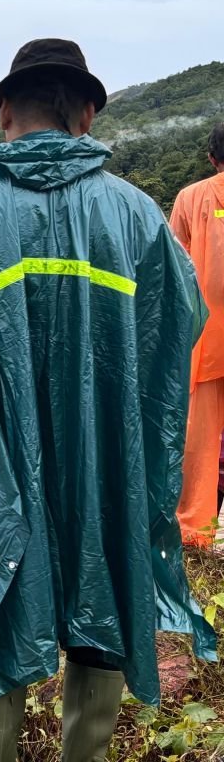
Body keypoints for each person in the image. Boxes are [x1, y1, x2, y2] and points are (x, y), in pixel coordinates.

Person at [0, 38, 216, 761]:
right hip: (109, 459)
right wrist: (134, 438)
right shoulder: (135, 215)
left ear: (6, 111)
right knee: (101, 598)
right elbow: (178, 337)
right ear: (89, 115)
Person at [170, 121, 224, 546]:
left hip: (204, 340)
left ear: (211, 157)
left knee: (200, 442)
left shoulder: (192, 197)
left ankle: (195, 535)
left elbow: (173, 275)